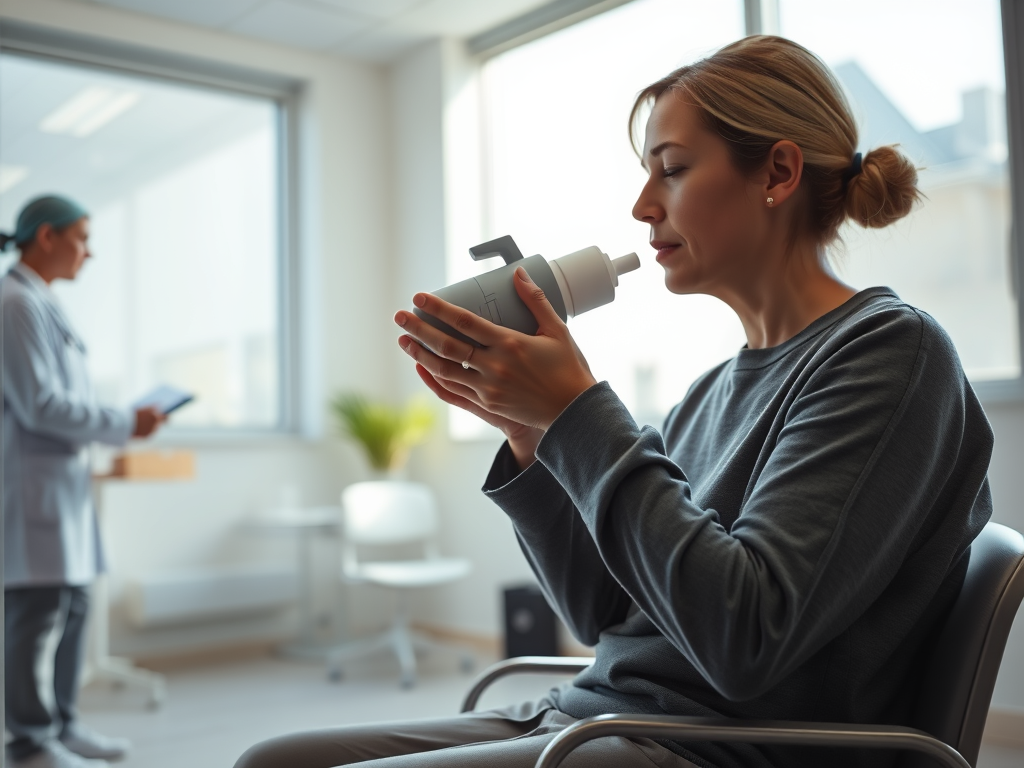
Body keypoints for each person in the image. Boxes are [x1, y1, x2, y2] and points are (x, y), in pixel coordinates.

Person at [234, 35, 993, 768]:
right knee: (272, 759)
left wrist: (579, 413)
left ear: (778, 172)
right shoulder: (712, 391)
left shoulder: (890, 354)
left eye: (671, 170)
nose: (641, 205)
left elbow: (744, 640)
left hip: (703, 749)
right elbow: (600, 611)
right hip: (596, 715)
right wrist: (533, 435)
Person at [1, 195, 165, 768]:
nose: (89, 253)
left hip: (61, 485)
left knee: (72, 606)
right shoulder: (13, 302)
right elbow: (41, 405)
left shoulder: (39, 301)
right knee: (37, 617)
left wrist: (122, 423)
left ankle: (63, 727)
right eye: (82, 238)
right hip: (30, 487)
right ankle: (28, 742)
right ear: (46, 237)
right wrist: (125, 422)